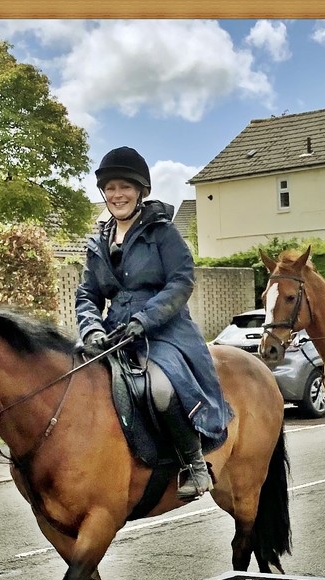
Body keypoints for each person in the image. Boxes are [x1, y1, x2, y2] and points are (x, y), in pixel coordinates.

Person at [76, 146, 232, 499]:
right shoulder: (97, 241)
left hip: (165, 330)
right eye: (111, 188)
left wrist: (145, 319)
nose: (117, 195)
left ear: (140, 190)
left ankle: (195, 463)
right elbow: (87, 294)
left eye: (125, 187)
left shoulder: (163, 232)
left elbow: (181, 281)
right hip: (114, 331)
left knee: (159, 388)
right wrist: (92, 328)